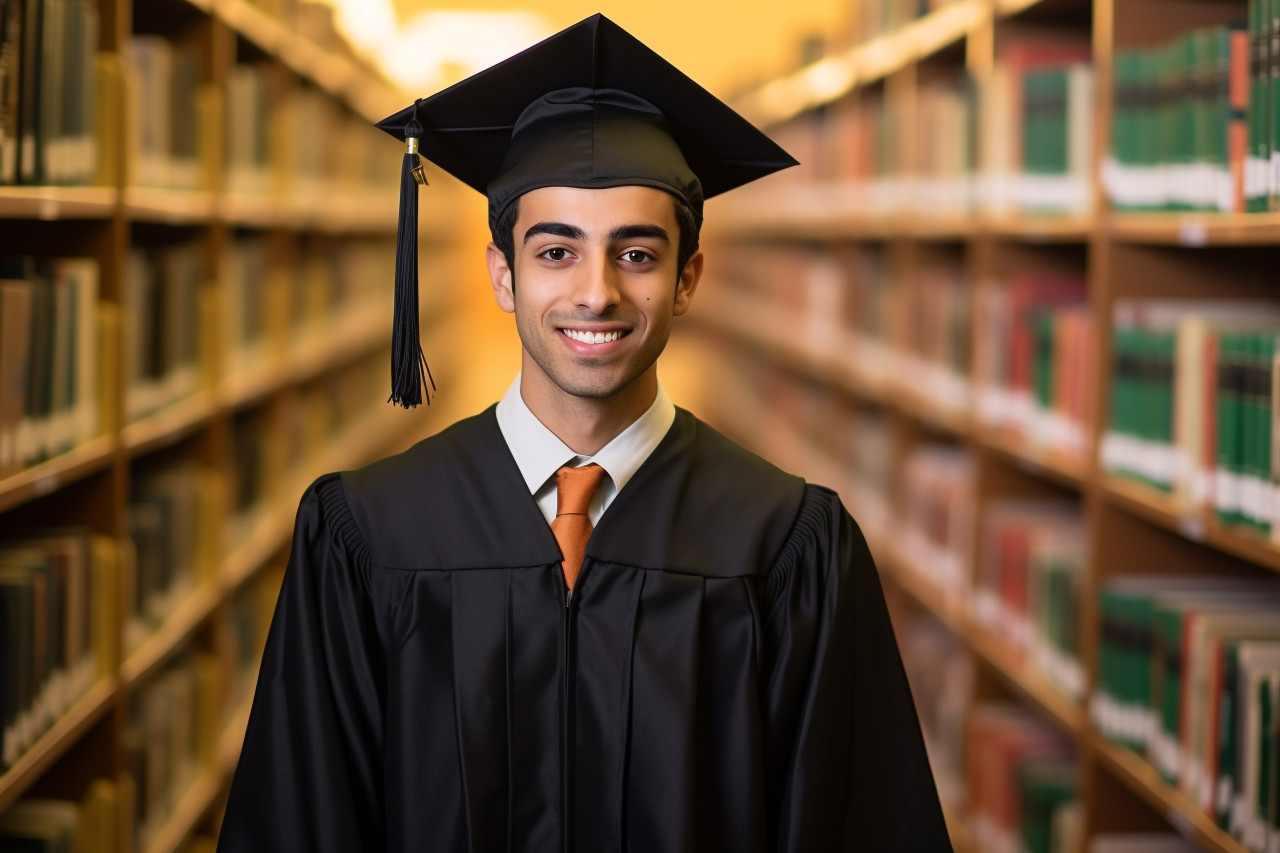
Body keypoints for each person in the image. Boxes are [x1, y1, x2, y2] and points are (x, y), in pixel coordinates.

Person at [217, 13, 951, 853]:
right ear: (503, 275)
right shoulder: (368, 536)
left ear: (687, 280)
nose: (595, 293)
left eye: (636, 254)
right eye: (556, 252)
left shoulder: (787, 545)